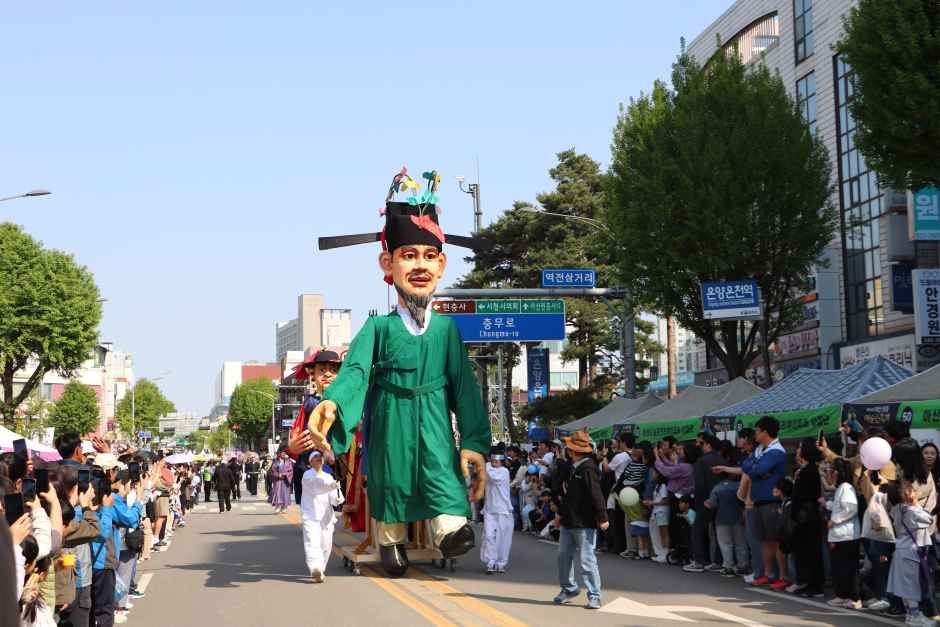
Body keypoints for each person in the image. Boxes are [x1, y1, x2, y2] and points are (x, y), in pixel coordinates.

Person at [308, 178, 491, 578]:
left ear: (442, 265)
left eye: (430, 256)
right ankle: (390, 538)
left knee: (441, 469)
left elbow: (465, 390)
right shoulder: (377, 329)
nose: (421, 266)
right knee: (391, 477)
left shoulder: (447, 331)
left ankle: (447, 527)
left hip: (436, 419)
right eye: (409, 255)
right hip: (391, 416)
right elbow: (355, 371)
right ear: (388, 265)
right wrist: (333, 401)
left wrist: (475, 441)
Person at [552, 431, 609, 610]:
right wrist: (560, 515)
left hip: (584, 523)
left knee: (587, 560)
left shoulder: (588, 469)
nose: (567, 450)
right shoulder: (574, 467)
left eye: (569, 447)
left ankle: (595, 595)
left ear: (573, 451)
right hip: (569, 520)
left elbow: (596, 495)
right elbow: (568, 496)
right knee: (563, 556)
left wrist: (602, 517)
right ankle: (569, 589)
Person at [287, 349, 344, 505]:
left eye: (333, 370)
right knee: (311, 510)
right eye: (322, 370)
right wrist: (293, 446)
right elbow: (296, 431)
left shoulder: (346, 402)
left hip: (337, 461)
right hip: (309, 461)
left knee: (329, 512)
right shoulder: (309, 402)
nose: (327, 374)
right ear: (313, 374)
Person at [742, 416, 788, 588]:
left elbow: (756, 469)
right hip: (758, 501)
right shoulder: (760, 449)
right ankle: (768, 574)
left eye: (757, 430)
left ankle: (783, 576)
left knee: (775, 540)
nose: (755, 433)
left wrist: (756, 469)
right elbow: (747, 465)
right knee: (765, 540)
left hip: (771, 501)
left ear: (764, 432)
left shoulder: (776, 451)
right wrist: (756, 468)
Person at [886, 481, 936, 627]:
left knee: (904, 585)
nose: (915, 492)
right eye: (911, 490)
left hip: (901, 549)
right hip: (910, 551)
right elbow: (929, 519)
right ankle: (914, 616)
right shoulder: (912, 511)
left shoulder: (896, 509)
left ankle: (911, 614)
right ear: (905, 495)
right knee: (911, 586)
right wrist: (916, 504)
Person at [300, 451, 343, 583]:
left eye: (320, 457)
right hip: (310, 515)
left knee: (326, 545)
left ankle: (321, 569)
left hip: (326, 517)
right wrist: (330, 486)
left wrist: (337, 497)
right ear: (310, 462)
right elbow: (316, 487)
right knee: (312, 543)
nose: (319, 459)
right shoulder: (307, 475)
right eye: (315, 457)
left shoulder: (328, 476)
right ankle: (315, 568)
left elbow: (333, 497)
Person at [825, 457, 861, 609]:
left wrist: (835, 520)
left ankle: (853, 597)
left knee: (847, 568)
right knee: (840, 567)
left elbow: (851, 509)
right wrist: (827, 504)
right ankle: (843, 595)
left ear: (838, 473)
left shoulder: (846, 487)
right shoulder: (842, 488)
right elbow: (840, 506)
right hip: (841, 535)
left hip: (846, 535)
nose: (829, 474)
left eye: (831, 470)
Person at [790, 437, 823, 596]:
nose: (798, 450)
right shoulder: (804, 469)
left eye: (800, 447)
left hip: (809, 516)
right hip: (803, 516)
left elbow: (806, 494)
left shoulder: (811, 470)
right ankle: (807, 582)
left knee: (812, 552)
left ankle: (815, 586)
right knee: (804, 552)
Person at [687, 434, 721, 573]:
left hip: (704, 501)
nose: (698, 447)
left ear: (708, 445)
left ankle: (699, 561)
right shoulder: (722, 459)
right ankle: (718, 561)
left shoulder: (701, 461)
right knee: (718, 533)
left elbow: (699, 485)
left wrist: (698, 502)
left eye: (701, 444)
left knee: (697, 531)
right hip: (720, 500)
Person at [705, 468, 747, 577]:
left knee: (725, 544)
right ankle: (743, 566)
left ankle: (729, 567)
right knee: (740, 543)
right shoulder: (739, 486)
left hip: (721, 519)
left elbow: (712, 504)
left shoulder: (717, 488)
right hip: (738, 517)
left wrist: (707, 503)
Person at [481, 445, 514, 574]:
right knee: (489, 536)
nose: (494, 464)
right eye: (493, 461)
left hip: (503, 510)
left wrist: (484, 464)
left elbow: (494, 478)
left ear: (501, 462)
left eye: (497, 462)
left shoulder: (504, 472)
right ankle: (490, 562)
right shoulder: (487, 468)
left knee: (503, 538)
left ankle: (501, 563)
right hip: (489, 509)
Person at [270, 448, 294, 513]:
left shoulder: (288, 462)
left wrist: (285, 474)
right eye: (282, 453)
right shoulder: (276, 462)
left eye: (284, 453)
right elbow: (273, 470)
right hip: (278, 480)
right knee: (277, 493)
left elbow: (290, 471)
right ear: (279, 454)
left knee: (285, 493)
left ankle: (284, 507)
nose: (283, 454)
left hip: (285, 480)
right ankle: (277, 506)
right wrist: (278, 475)